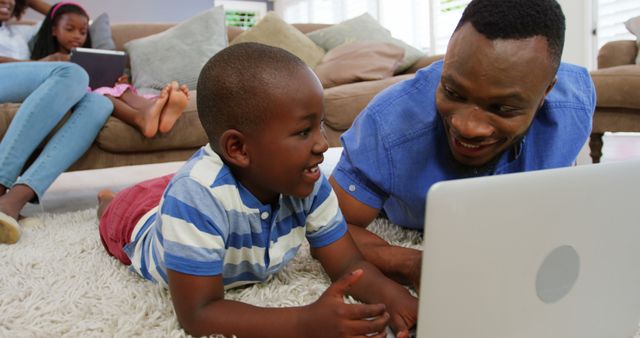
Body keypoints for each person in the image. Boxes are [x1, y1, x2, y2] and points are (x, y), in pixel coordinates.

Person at [96, 42, 418, 338]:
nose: (322, 144)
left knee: (182, 186)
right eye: (304, 131)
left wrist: (397, 299)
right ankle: (107, 200)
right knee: (121, 209)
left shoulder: (307, 181)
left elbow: (347, 264)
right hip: (138, 222)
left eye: (319, 125)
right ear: (238, 148)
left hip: (201, 190)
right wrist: (304, 322)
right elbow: (198, 313)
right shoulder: (195, 198)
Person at [329, 0, 596, 290]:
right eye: (453, 92)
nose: (467, 127)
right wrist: (412, 263)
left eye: (503, 108)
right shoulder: (389, 126)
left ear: (546, 92)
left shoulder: (574, 106)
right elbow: (328, 228)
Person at [0, 0, 113, 244]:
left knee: (100, 103)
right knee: (71, 72)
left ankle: (13, 200)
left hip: (21, 82)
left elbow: (61, 13)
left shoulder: (19, 31)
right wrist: (40, 65)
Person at [30, 2, 189, 138]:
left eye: (83, 32)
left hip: (99, 87)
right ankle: (139, 118)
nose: (77, 36)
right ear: (54, 30)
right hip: (77, 93)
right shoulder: (49, 58)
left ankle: (154, 109)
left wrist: (120, 80)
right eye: (70, 29)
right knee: (102, 94)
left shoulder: (89, 56)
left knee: (120, 89)